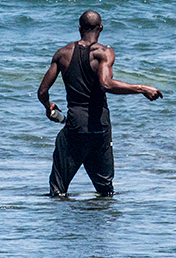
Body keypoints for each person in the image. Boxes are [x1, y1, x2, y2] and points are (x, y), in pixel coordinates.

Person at [37, 10, 162, 197]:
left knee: (58, 191)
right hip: (99, 127)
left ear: (79, 28)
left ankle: (61, 224)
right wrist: (142, 88)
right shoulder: (104, 53)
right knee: (105, 190)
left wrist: (49, 107)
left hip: (75, 126)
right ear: (101, 28)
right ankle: (103, 223)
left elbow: (42, 92)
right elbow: (106, 83)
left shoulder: (62, 54)